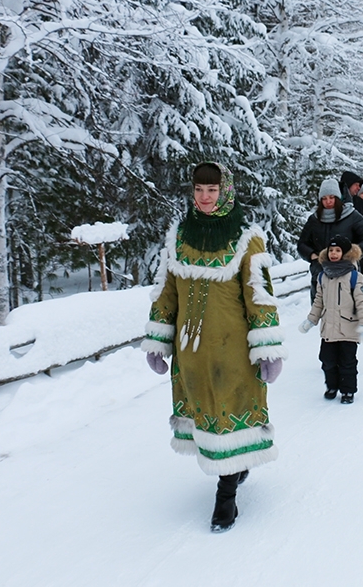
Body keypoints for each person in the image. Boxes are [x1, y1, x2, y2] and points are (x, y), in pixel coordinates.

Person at [141, 161, 288, 533]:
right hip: (190, 354)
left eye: (213, 190)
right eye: (199, 190)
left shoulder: (246, 238)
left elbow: (259, 295)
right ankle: (233, 468)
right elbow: (167, 292)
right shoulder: (178, 237)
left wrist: (267, 345)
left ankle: (226, 499)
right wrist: (158, 339)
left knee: (229, 414)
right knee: (206, 415)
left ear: (225, 191)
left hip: (233, 351)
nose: (205, 197)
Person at [298, 235, 363, 404]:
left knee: (347, 362)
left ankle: (347, 391)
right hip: (329, 328)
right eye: (331, 250)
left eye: (338, 250)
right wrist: (311, 320)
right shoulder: (323, 276)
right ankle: (331, 386)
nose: (333, 253)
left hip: (348, 328)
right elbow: (318, 301)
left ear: (345, 253)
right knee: (327, 360)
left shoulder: (355, 277)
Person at [297, 178, 363, 302]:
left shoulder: (352, 216)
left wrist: (353, 253)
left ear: (338, 197)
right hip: (320, 273)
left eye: (331, 197)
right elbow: (302, 244)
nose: (328, 202)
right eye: (324, 198)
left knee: (345, 312)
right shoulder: (314, 220)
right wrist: (312, 256)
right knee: (322, 311)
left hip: (346, 270)